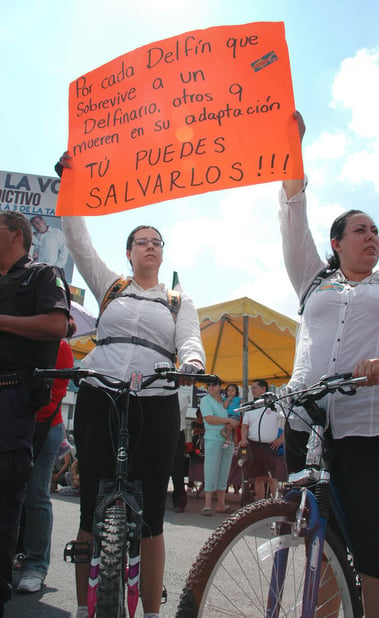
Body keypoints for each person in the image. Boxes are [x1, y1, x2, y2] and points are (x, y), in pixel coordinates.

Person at [56, 152, 205, 618]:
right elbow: (77, 241)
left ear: (163, 253)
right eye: (142, 241)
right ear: (128, 252)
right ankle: (85, 608)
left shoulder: (179, 300)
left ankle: (152, 613)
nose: (150, 247)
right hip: (101, 395)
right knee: (89, 510)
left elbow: (191, 342)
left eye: (157, 242)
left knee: (152, 518)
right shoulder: (110, 286)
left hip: (157, 402)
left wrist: (194, 365)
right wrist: (70, 183)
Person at [279, 111, 379, 618]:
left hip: (375, 427)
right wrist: (292, 147)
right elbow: (292, 212)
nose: (372, 236)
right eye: (360, 230)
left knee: (375, 552)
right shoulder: (312, 277)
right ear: (337, 244)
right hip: (306, 425)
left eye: (377, 231)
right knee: (321, 549)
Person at [0, 211, 69, 617]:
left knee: (10, 497)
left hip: (13, 396)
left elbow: (57, 324)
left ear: (16, 235)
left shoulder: (43, 275)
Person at [16, 325, 75, 593]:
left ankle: (35, 565)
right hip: (16, 424)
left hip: (44, 427)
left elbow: (54, 394)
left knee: (36, 494)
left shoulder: (59, 347)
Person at [239, 379, 287, 500]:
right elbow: (245, 425)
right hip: (254, 445)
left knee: (272, 477)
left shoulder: (276, 406)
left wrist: (281, 439)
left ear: (263, 389)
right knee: (258, 477)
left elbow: (287, 422)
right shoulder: (251, 407)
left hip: (270, 446)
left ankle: (275, 503)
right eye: (252, 388)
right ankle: (259, 504)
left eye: (255, 387)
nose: (253, 390)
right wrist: (243, 438)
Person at [200, 378, 239, 515]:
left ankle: (221, 503)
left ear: (219, 386)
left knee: (224, 470)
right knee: (211, 469)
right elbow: (209, 419)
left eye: (214, 385)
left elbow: (235, 417)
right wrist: (228, 420)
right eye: (209, 385)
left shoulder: (225, 401)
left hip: (226, 438)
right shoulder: (205, 400)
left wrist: (231, 424)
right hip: (213, 438)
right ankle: (207, 503)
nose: (211, 387)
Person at [171, 388, 191, 513]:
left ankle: (179, 498)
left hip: (177, 431)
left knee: (177, 467)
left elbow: (180, 411)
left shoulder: (182, 396)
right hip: (163, 431)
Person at [221, 383, 241, 448]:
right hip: (227, 416)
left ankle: (229, 440)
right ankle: (234, 444)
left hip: (235, 415)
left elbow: (244, 401)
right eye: (229, 391)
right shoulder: (225, 399)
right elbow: (225, 407)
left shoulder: (237, 398)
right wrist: (228, 400)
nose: (230, 392)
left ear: (236, 392)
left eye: (232, 391)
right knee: (232, 430)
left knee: (230, 427)